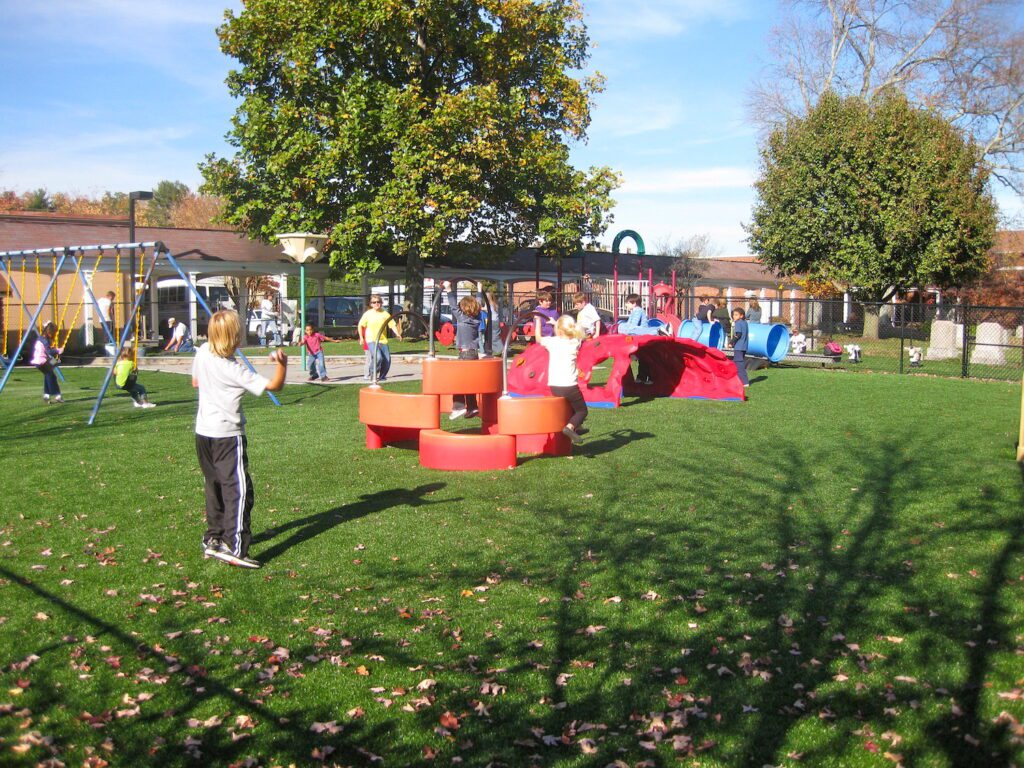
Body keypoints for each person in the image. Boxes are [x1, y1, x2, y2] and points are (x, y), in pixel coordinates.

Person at [192, 310, 287, 569]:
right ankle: (235, 547)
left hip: (203, 433)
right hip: (226, 436)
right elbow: (274, 386)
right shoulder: (233, 370)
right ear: (235, 336)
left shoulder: (201, 352)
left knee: (214, 486)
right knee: (238, 490)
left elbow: (195, 381)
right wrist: (282, 364)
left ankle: (214, 538)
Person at [538, 314, 589, 445]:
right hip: (569, 386)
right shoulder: (575, 342)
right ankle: (570, 427)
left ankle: (577, 426)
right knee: (582, 410)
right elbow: (575, 333)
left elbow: (538, 338)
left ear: (558, 330)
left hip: (554, 386)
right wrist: (557, 323)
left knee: (570, 407)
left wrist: (538, 322)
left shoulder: (552, 342)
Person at [442, 281, 482, 419]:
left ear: (463, 308)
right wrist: (480, 290)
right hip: (474, 354)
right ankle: (472, 407)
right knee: (469, 382)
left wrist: (448, 289)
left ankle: (458, 407)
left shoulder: (462, 318)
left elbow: (453, 305)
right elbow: (479, 302)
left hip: (465, 353)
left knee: (458, 381)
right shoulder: (477, 318)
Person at [358, 295, 402, 382]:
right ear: (371, 304)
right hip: (371, 339)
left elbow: (392, 325)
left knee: (387, 360)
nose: (376, 304)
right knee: (378, 357)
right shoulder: (368, 314)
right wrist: (361, 338)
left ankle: (382, 376)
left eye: (378, 302)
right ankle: (372, 373)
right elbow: (360, 325)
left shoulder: (385, 314)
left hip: (383, 340)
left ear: (381, 303)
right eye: (374, 302)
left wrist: (397, 334)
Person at [619, 294, 653, 384]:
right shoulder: (635, 311)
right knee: (643, 358)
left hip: (642, 337)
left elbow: (633, 325)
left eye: (627, 303)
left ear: (633, 303)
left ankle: (648, 377)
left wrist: (623, 329)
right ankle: (642, 377)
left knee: (644, 358)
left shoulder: (637, 311)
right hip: (639, 337)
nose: (626, 305)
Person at [31, 321, 63, 404]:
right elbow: (49, 351)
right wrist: (58, 350)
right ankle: (57, 395)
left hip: (38, 361)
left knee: (49, 374)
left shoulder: (41, 338)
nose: (53, 335)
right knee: (52, 376)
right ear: (49, 332)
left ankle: (46, 395)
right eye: (53, 333)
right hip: (42, 361)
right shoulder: (45, 340)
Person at [730, 307, 750, 388]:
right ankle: (737, 380)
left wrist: (731, 342)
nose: (734, 316)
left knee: (739, 364)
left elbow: (738, 334)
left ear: (741, 316)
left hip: (738, 347)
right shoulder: (745, 323)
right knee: (737, 363)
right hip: (744, 346)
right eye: (733, 315)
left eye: (736, 315)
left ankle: (745, 382)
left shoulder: (738, 323)